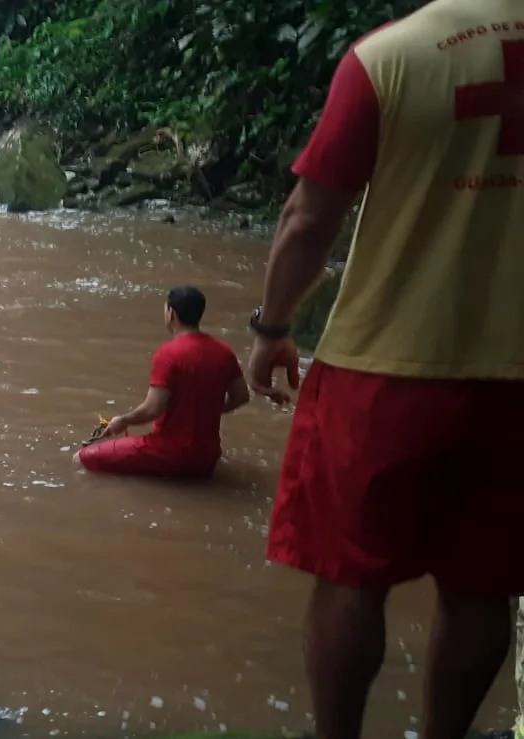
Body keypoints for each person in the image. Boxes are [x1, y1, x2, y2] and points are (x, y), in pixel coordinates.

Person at [246, 4, 524, 739]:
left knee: (349, 576)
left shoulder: (392, 58)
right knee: (482, 584)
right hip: (517, 373)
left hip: (385, 364)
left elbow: (309, 217)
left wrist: (272, 327)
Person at [75, 286, 248, 478]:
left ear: (171, 314)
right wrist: (207, 410)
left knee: (82, 458)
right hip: (208, 458)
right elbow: (241, 396)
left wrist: (123, 420)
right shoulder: (224, 352)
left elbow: (152, 409)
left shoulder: (169, 354)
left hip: (169, 453)